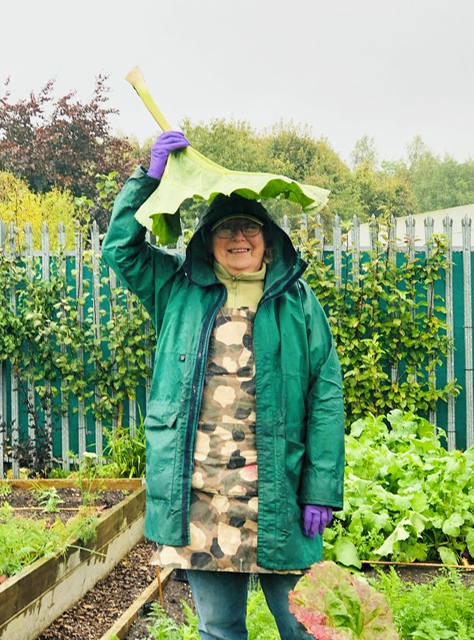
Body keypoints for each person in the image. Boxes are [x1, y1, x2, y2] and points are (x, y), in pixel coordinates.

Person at [102, 131, 345, 640]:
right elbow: (121, 248)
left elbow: (325, 394)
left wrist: (320, 487)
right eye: (226, 229)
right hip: (201, 496)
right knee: (218, 628)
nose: (239, 237)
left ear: (268, 237)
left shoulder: (298, 301)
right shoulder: (176, 288)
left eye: (250, 227)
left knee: (304, 626)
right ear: (207, 239)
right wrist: (147, 180)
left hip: (279, 493)